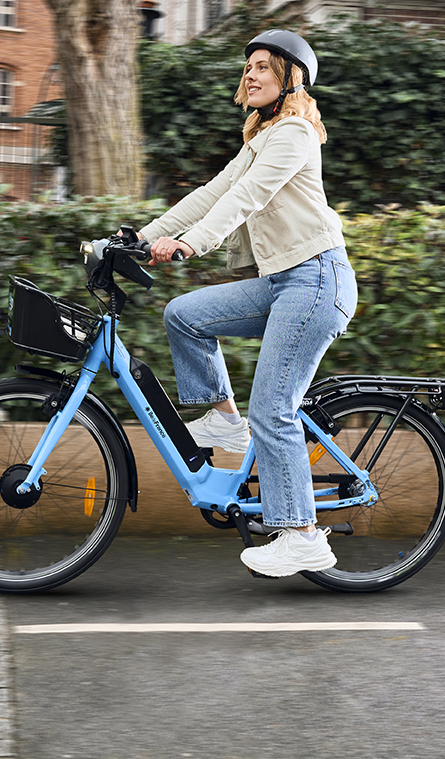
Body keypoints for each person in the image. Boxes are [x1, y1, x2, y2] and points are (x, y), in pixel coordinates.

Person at [138, 29, 357, 578]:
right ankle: (222, 418)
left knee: (274, 407)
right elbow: (212, 193)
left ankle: (303, 534)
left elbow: (245, 199)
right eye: (249, 68)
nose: (251, 75)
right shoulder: (261, 139)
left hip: (315, 282)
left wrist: (193, 243)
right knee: (185, 315)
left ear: (292, 79)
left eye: (264, 67)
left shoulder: (294, 134)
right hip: (284, 282)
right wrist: (143, 238)